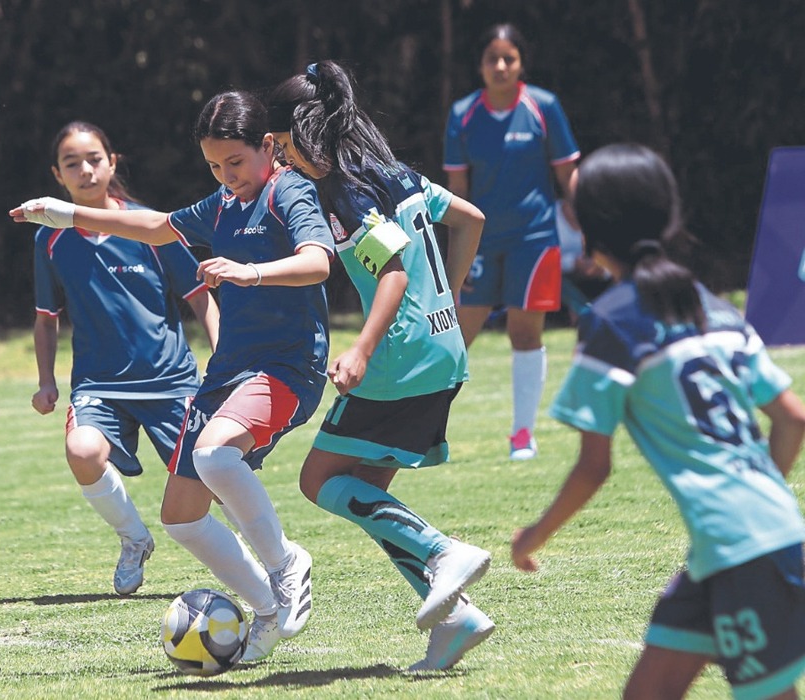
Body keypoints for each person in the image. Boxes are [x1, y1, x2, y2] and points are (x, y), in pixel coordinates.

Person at [12, 90, 333, 662]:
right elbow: (158, 226)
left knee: (213, 457)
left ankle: (286, 562)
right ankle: (265, 610)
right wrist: (64, 213)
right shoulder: (223, 205)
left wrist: (249, 272)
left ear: (267, 146)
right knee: (181, 518)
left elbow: (318, 261)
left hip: (287, 365)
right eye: (214, 166)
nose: (226, 175)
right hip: (229, 370)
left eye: (235, 162)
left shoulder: (290, 191)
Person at [511, 144, 805, 699]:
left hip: (743, 548)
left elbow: (594, 467)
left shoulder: (613, 324)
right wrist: (758, 489)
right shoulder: (712, 308)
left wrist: (533, 537)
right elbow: (792, 419)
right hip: (744, 540)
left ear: (592, 230)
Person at [267, 60, 494, 672]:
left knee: (318, 481)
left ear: (303, 135)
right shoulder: (393, 171)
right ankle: (454, 619)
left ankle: (443, 551)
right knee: (366, 497)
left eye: (283, 147)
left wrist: (362, 348)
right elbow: (470, 219)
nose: (281, 161)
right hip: (443, 348)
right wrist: (451, 289)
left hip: (396, 356)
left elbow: (391, 275)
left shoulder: (340, 192)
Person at [29, 121, 219, 596]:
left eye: (94, 158)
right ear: (58, 175)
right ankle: (134, 539)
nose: (85, 169)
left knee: (217, 473)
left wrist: (226, 355)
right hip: (100, 387)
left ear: (112, 162)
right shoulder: (49, 240)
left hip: (173, 381)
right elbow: (46, 316)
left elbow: (199, 296)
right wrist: (46, 380)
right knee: (82, 450)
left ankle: (269, 560)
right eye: (72, 163)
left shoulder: (149, 226)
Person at [443, 23, 581, 460]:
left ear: (522, 63)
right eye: (492, 58)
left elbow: (567, 175)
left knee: (526, 334)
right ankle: (423, 430)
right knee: (455, 337)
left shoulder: (544, 107)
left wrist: (590, 228)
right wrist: (454, 261)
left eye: (510, 58)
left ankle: (523, 434)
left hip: (535, 240)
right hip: (480, 242)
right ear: (480, 65)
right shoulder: (462, 114)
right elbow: (456, 194)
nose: (501, 66)